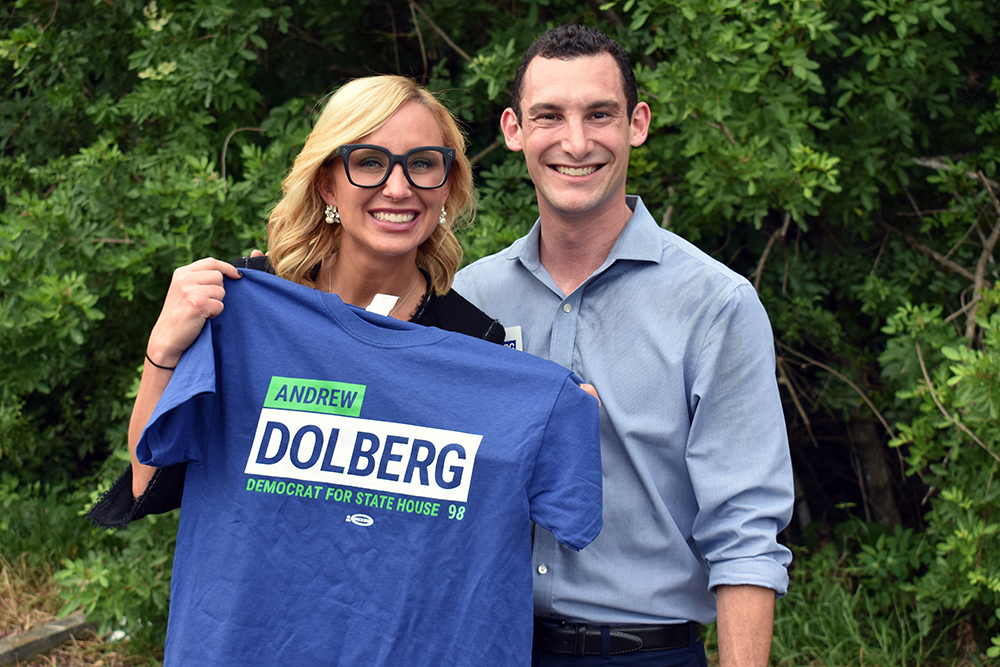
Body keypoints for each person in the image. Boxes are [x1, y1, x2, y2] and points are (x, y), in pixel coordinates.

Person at [91, 75, 604, 666]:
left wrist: (554, 423)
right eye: (369, 161)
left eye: (423, 164)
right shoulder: (243, 306)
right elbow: (147, 482)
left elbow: (495, 531)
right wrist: (165, 349)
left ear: (447, 186)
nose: (398, 186)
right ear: (328, 181)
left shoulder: (475, 343)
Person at [453, 25, 794, 667]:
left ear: (636, 123)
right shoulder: (470, 298)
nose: (575, 142)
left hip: (647, 652)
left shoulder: (716, 304)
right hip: (492, 645)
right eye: (549, 116)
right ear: (514, 129)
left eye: (600, 115)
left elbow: (745, 531)